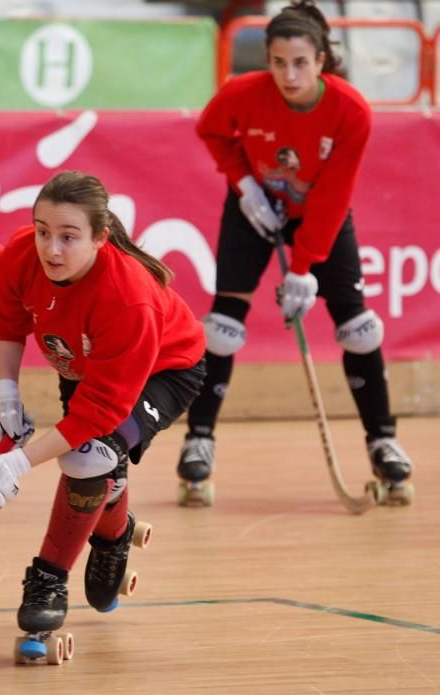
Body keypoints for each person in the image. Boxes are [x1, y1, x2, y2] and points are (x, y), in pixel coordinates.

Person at [175, 0, 414, 505]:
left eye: (300, 62)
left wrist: (303, 270)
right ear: (267, 59)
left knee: (357, 325)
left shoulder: (351, 111)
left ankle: (383, 441)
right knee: (222, 327)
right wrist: (244, 185)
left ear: (321, 60)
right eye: (278, 62)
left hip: (319, 215)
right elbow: (211, 131)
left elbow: (332, 196)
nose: (288, 74)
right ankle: (198, 441)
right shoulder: (242, 93)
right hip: (253, 208)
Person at [0, 171, 206, 646]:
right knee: (96, 462)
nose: (51, 249)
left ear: (99, 238)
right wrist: (5, 391)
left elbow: (98, 411)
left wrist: (17, 463)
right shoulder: (21, 255)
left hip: (166, 370)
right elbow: (6, 320)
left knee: (89, 456)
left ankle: (48, 579)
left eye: (68, 237)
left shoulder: (127, 297)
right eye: (42, 231)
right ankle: (114, 534)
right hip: (86, 368)